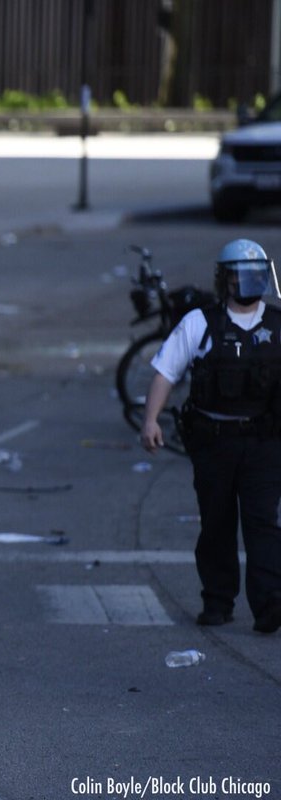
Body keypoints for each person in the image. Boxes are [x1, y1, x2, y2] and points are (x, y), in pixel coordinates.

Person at [140, 238, 281, 635]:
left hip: (264, 442)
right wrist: (150, 420)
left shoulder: (277, 325)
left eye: (257, 275)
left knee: (263, 523)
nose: (251, 282)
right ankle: (217, 601)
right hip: (214, 441)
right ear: (226, 280)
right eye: (242, 275)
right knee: (217, 521)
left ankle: (270, 602)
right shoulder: (200, 323)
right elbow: (165, 373)